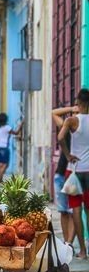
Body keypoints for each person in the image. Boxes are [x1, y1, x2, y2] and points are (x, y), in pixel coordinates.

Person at [58, 88, 89, 259]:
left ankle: (82, 251)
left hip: (75, 170)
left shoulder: (72, 121)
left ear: (78, 102)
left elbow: (61, 137)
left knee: (76, 210)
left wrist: (68, 155)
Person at [52, 106, 76, 247]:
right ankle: (66, 243)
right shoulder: (65, 127)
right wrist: (72, 107)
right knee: (63, 211)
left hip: (74, 174)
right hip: (61, 172)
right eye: (74, 114)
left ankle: (70, 243)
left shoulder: (83, 130)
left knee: (73, 211)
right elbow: (53, 113)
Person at [0, 113, 23, 183]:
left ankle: (0, 178)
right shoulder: (7, 127)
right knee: (6, 164)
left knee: (0, 164)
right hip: (4, 147)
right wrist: (21, 125)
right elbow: (16, 133)